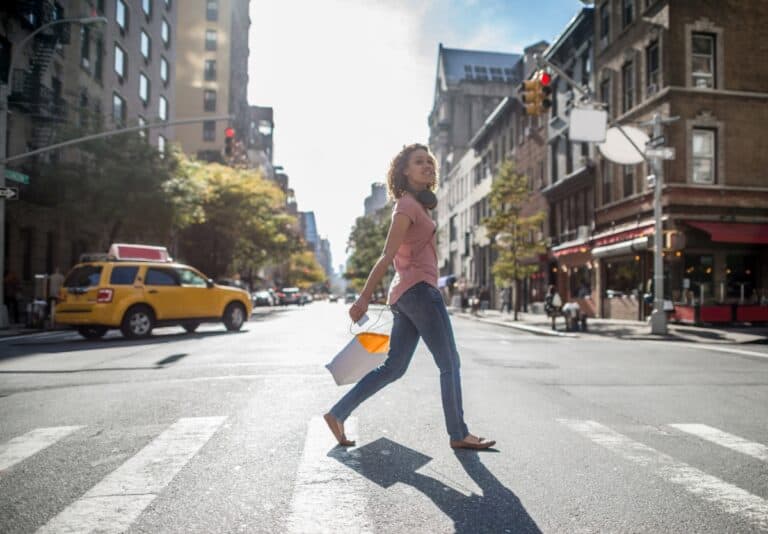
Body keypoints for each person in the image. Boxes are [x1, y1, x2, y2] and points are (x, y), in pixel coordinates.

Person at [324, 143, 495, 450]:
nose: (428, 165)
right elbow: (387, 254)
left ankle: (338, 413)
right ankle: (458, 433)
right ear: (405, 171)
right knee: (449, 363)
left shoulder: (417, 205)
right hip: (418, 292)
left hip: (406, 294)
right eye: (419, 162)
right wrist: (363, 298)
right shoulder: (406, 206)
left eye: (430, 161)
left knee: (394, 367)